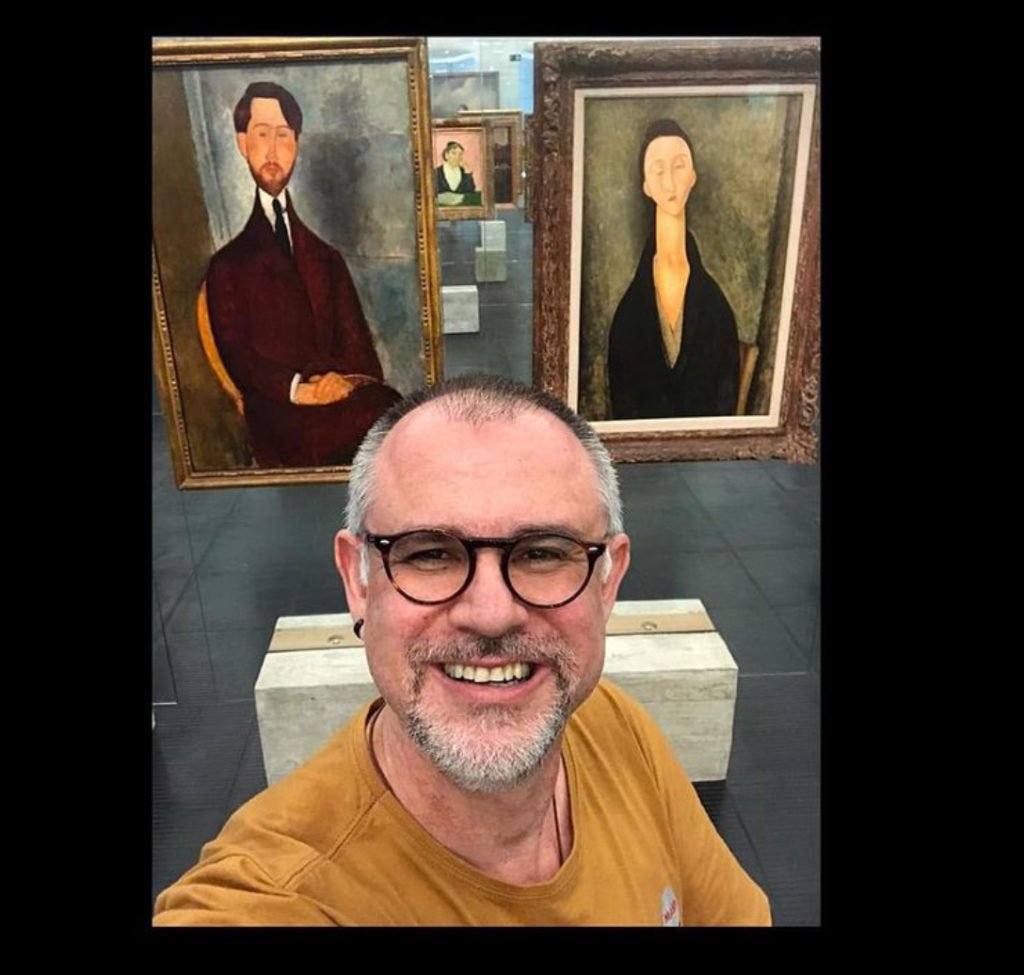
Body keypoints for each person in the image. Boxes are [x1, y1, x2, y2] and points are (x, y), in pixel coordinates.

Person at [153, 374, 771, 926]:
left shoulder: (614, 728)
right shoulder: (277, 895)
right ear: (357, 582)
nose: (491, 612)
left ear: (608, 582)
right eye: (429, 554)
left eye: (543, 553)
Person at [205, 81, 400, 468]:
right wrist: (299, 390)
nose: (272, 151)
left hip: (339, 398)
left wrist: (343, 380)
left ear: (296, 143)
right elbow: (239, 358)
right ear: (242, 143)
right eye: (262, 134)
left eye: (283, 135)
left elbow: (359, 346)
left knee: (389, 410)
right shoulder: (226, 265)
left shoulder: (327, 258)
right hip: (279, 408)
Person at [607, 119, 740, 420]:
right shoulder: (629, 314)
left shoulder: (716, 307)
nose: (669, 182)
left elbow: (725, 400)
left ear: (693, 176)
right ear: (646, 185)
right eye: (658, 170)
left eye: (679, 166)